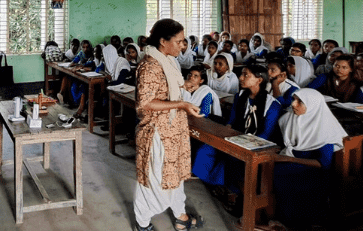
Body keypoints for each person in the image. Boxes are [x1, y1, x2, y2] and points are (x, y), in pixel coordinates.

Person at [133, 19, 204, 231]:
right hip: (159, 133)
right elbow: (145, 102)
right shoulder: (150, 65)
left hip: (174, 130)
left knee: (174, 175)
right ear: (163, 41)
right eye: (179, 41)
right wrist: (182, 102)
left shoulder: (167, 60)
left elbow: (170, 88)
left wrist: (186, 88)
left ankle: (181, 216)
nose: (183, 46)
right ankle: (142, 222)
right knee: (155, 179)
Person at [192, 65, 281, 195]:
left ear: (259, 80)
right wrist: (226, 133)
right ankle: (210, 182)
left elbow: (266, 133)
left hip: (256, 143)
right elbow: (231, 120)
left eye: (246, 75)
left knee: (232, 159)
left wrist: (242, 143)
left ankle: (228, 189)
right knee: (206, 149)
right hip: (234, 136)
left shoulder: (272, 105)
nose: (240, 78)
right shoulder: (240, 96)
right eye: (241, 74)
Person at [273, 89, 348, 227]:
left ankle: (290, 222)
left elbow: (324, 164)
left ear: (312, 106)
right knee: (270, 168)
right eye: (293, 99)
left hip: (313, 169)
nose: (294, 104)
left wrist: (289, 159)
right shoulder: (290, 118)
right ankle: (279, 219)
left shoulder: (324, 127)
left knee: (280, 173)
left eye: (300, 101)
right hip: (293, 160)